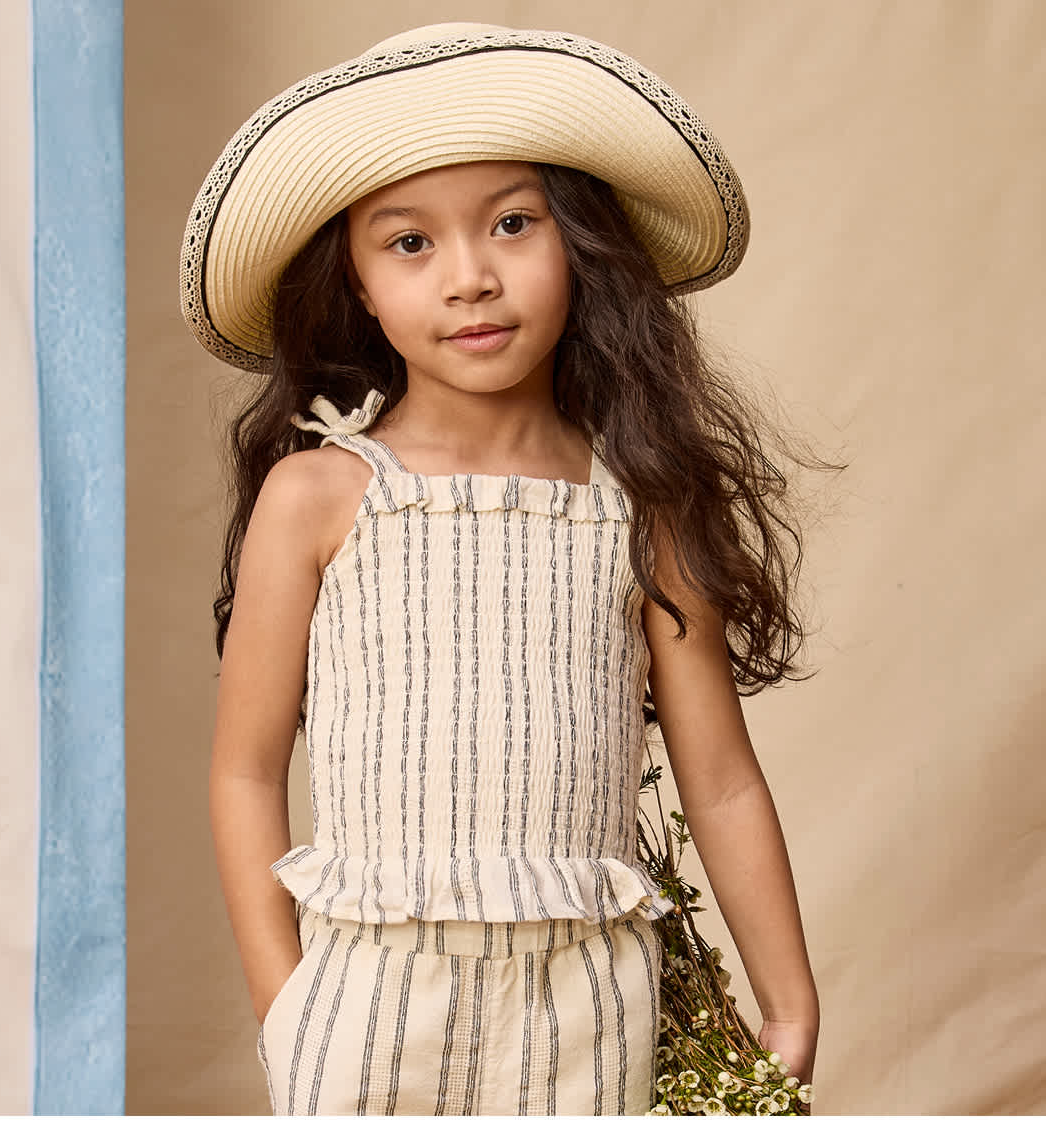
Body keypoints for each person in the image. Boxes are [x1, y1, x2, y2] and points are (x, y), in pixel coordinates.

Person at [180, 22, 823, 1117]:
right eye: (410, 242)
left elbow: (719, 779)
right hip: (365, 1001)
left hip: (590, 1009)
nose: (471, 278)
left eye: (513, 224)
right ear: (358, 282)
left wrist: (789, 998)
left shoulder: (639, 508)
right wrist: (283, 1003)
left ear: (582, 244)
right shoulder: (320, 500)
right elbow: (244, 772)